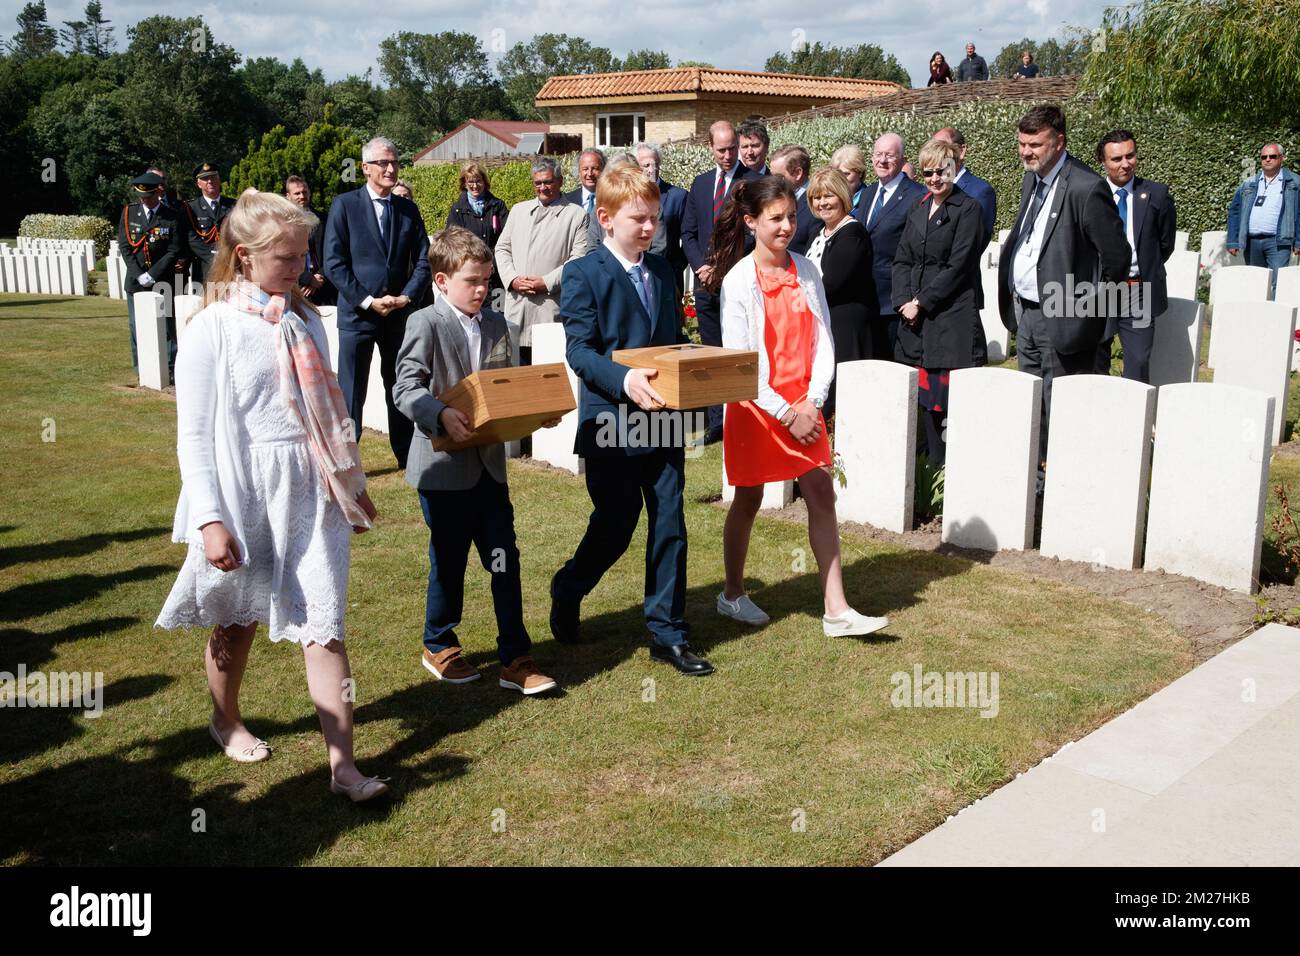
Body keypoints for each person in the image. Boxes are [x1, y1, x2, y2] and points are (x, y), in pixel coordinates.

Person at [155, 189, 387, 803]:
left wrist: (346, 483)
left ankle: (344, 766)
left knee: (325, 624)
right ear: (243, 256)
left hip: (311, 489)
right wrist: (209, 520)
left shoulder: (305, 319)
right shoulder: (212, 328)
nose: (301, 269)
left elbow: (320, 412)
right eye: (286, 258)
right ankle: (225, 717)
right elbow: (195, 436)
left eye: (303, 255)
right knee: (237, 618)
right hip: (243, 491)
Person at [708, 176, 889, 638]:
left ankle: (836, 609)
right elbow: (741, 362)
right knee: (749, 498)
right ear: (750, 223)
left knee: (821, 494)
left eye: (791, 216)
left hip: (806, 404)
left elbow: (823, 340)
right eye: (776, 219)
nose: (787, 226)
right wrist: (786, 411)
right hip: (757, 406)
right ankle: (732, 593)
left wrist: (813, 401)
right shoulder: (737, 282)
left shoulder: (807, 271)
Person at [550, 164, 713, 676]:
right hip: (611, 421)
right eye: (638, 219)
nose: (649, 228)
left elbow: (669, 341)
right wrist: (624, 381)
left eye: (654, 219)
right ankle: (569, 585)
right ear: (605, 218)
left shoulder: (664, 271)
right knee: (616, 525)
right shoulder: (582, 274)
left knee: (670, 520)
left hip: (663, 415)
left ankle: (668, 633)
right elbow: (580, 351)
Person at [392, 227, 559, 695]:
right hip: (442, 471)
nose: (483, 289)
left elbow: (505, 391)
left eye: (487, 279)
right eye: (472, 281)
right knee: (448, 559)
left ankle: (516, 659)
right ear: (441, 281)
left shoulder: (499, 324)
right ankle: (438, 643)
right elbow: (405, 388)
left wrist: (535, 413)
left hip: (489, 468)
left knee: (505, 558)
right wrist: (440, 413)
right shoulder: (424, 323)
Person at [998, 105, 1130, 462]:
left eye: (1035, 145)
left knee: (1063, 412)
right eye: (1022, 144)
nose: (1026, 152)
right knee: (1032, 407)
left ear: (1059, 142)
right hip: (1026, 312)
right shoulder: (1032, 178)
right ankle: (1037, 484)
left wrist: (1083, 309)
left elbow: (1117, 258)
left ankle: (1067, 481)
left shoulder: (1087, 188)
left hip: (1064, 318)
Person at [323, 136, 431, 471]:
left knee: (400, 385)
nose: (390, 168)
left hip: (398, 315)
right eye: (383, 163)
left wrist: (406, 297)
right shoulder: (345, 205)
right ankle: (346, 460)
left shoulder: (407, 209)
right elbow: (333, 262)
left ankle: (405, 456)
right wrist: (368, 301)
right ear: (366, 168)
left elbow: (425, 260)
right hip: (358, 315)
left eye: (395, 162)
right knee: (350, 391)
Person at [892, 139, 987, 467]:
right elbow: (902, 257)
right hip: (914, 317)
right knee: (922, 397)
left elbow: (958, 266)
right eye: (928, 172)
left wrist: (921, 301)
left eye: (941, 171)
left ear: (954, 168)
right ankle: (929, 463)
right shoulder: (918, 206)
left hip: (949, 316)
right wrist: (904, 300)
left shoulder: (968, 209)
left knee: (944, 399)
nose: (935, 178)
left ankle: (948, 465)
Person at [681, 120, 759, 443]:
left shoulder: (753, 182)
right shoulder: (699, 184)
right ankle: (717, 423)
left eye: (732, 148)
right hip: (704, 284)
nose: (728, 155)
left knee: (737, 350)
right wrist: (702, 267)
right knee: (711, 352)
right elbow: (687, 233)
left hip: (736, 281)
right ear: (710, 147)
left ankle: (743, 418)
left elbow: (755, 237)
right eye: (722, 149)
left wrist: (721, 267)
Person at [1092, 131, 1176, 381]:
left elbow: (1165, 245)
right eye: (1116, 159)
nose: (1125, 163)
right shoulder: (1089, 195)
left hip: (1137, 290)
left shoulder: (1157, 195)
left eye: (1130, 156)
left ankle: (1134, 416)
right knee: (1095, 358)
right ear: (1103, 162)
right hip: (1098, 290)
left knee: (1138, 361)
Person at [494, 156, 591, 366]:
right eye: (538, 183)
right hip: (517, 307)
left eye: (548, 182)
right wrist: (512, 279)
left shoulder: (577, 215)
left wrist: (546, 282)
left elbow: (579, 259)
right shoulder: (519, 210)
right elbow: (502, 248)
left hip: (550, 307)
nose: (543, 187)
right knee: (515, 374)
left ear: (561, 181)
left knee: (549, 377)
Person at [804, 167, 875, 416]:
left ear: (842, 195)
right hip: (823, 320)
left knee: (842, 398)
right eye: (817, 197)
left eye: (828, 196)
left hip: (846, 327)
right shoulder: (817, 231)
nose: (822, 203)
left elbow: (833, 283)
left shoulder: (852, 233)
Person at [856, 132, 928, 362]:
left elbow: (918, 249)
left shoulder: (917, 195)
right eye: (878, 154)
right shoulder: (866, 194)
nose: (882, 160)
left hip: (894, 300)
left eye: (890, 155)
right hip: (865, 296)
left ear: (903, 159)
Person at [118, 171, 185, 376]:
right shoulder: (130, 212)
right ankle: (141, 367)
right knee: (136, 325)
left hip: (162, 278)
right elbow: (125, 246)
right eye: (142, 197)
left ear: (158, 193)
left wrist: (153, 274)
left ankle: (170, 367)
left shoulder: (171, 216)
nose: (145, 200)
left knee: (166, 324)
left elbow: (174, 250)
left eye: (148, 197)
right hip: (136, 280)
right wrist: (139, 274)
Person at [1227, 142, 1299, 292]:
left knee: (1277, 285)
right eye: (1263, 157)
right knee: (1255, 284)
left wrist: (1298, 240)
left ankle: (1275, 315)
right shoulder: (1249, 183)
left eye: (1272, 156)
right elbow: (1235, 211)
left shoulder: (1294, 182)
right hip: (1252, 242)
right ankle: (1256, 314)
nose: (1267, 159)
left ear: (1281, 158)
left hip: (1278, 243)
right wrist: (1233, 240)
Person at [635, 142, 689, 303]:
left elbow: (688, 235)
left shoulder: (678, 196)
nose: (651, 169)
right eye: (645, 165)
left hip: (668, 275)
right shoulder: (627, 197)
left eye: (654, 164)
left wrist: (677, 265)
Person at [445, 161, 509, 291]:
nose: (475, 186)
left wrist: (493, 262)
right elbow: (453, 243)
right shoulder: (457, 209)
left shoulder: (498, 206)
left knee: (495, 310)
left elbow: (507, 237)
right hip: (468, 272)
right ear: (464, 184)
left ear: (484, 182)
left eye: (478, 181)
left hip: (495, 273)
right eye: (470, 182)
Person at [932, 126, 997, 252]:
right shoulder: (929, 190)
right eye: (934, 147)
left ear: (961, 151)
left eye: (944, 147)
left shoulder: (980, 192)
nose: (938, 153)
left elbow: (976, 244)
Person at [285, 175, 335, 306]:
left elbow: (334, 251)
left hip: (326, 288)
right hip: (295, 288)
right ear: (288, 196)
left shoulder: (325, 220)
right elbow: (282, 257)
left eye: (305, 192)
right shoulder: (282, 224)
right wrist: (307, 279)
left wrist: (320, 277)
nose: (302, 196)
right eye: (297, 193)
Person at [185, 162, 235, 287]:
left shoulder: (233, 205)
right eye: (205, 179)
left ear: (219, 180)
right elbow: (192, 239)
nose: (210, 181)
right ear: (198, 184)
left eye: (213, 177)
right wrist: (214, 256)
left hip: (230, 266)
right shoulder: (191, 208)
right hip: (204, 268)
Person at [770, 144, 821, 256]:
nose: (774, 182)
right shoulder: (778, 198)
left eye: (778, 177)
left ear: (798, 173)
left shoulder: (816, 205)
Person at [562, 147, 607, 251]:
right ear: (578, 172)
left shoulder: (612, 200)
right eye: (585, 169)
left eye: (595, 168)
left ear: (604, 171)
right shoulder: (566, 201)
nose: (590, 174)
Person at [830, 144, 869, 214]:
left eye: (846, 174)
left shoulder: (870, 201)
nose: (841, 179)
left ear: (860, 173)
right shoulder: (829, 200)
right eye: (838, 174)